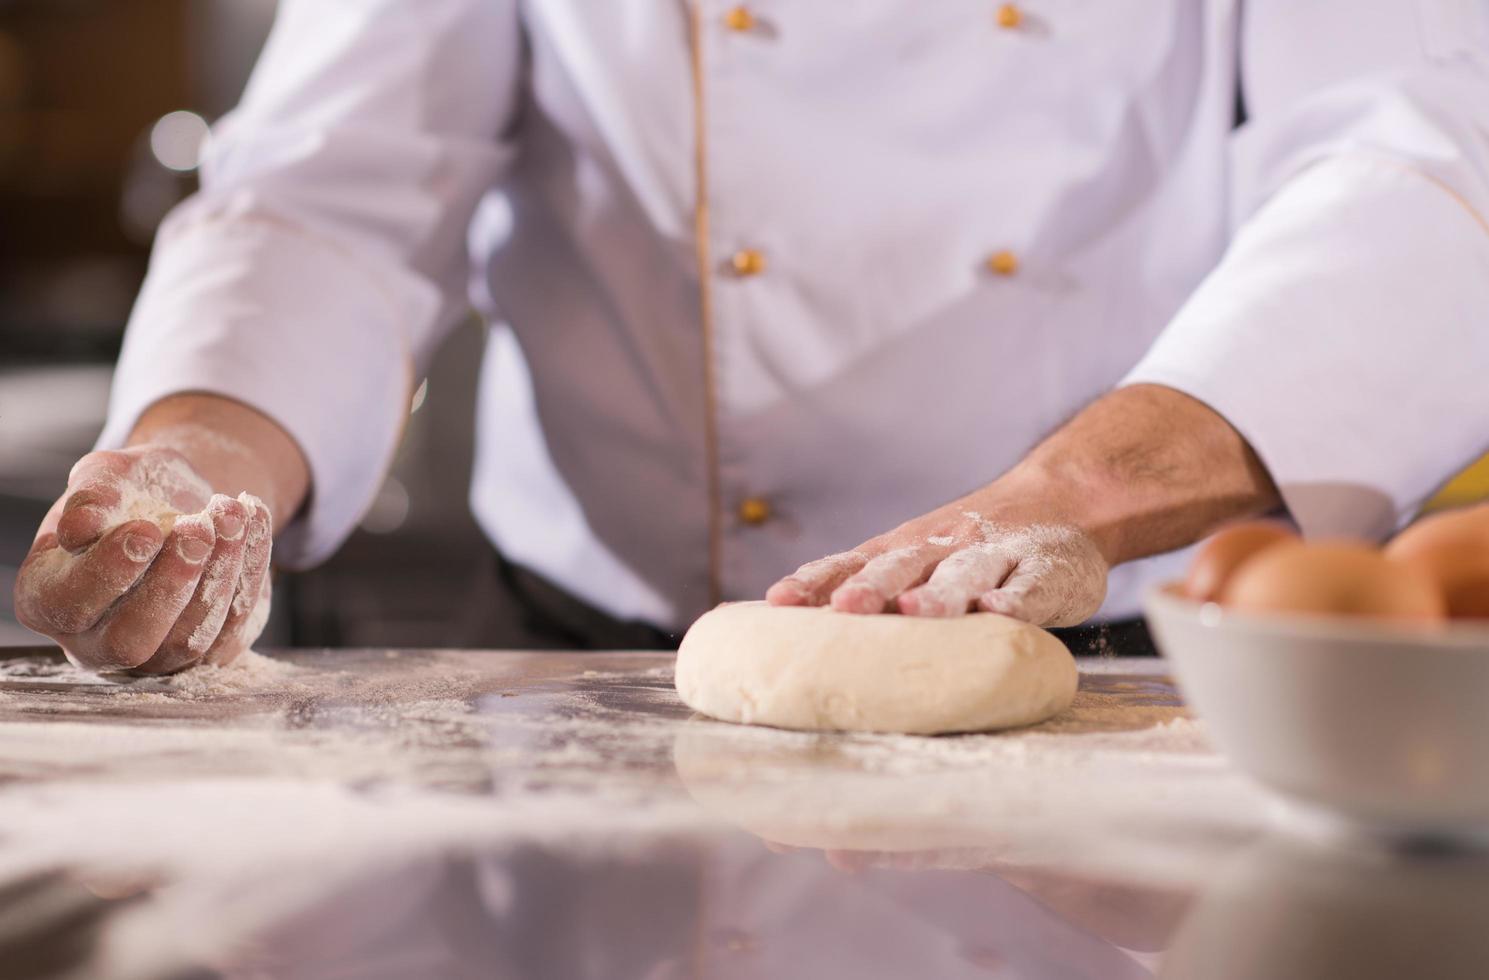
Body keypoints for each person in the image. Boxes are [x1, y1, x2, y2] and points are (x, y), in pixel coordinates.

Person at [14, 2, 1489, 671]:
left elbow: (1423, 160)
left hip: (1097, 653)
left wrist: (1065, 504)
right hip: (590, 673)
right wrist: (194, 454)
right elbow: (336, 192)